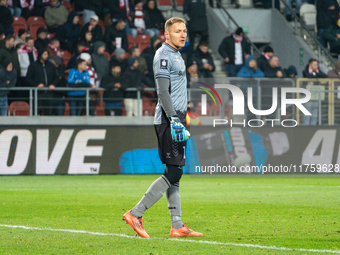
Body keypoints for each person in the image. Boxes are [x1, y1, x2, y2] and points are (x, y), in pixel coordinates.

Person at [123, 17, 202, 238]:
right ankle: (135, 213)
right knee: (174, 170)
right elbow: (162, 92)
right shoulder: (163, 56)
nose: (183, 34)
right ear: (166, 34)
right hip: (169, 119)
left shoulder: (177, 54)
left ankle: (177, 225)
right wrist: (174, 119)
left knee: (174, 172)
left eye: (184, 30)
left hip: (177, 117)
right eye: (178, 31)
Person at [25, 50, 58, 115]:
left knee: (48, 111)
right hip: (37, 93)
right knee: (36, 111)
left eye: (47, 54)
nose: (46, 56)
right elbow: (28, 79)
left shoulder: (51, 65)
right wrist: (36, 85)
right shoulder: (33, 65)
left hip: (49, 93)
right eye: (44, 54)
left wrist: (53, 84)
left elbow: (56, 77)